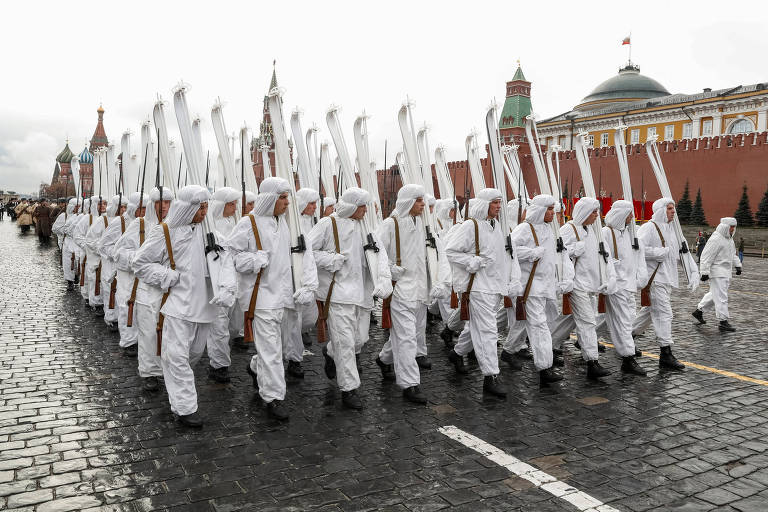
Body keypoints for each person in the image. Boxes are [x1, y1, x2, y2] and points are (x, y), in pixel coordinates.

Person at [133, 185, 232, 428]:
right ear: (187, 207)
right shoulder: (164, 232)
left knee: (193, 356)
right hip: (176, 306)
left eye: (207, 206)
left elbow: (227, 261)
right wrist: (167, 276)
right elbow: (140, 263)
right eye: (200, 207)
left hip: (205, 307)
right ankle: (185, 408)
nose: (204, 211)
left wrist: (227, 288)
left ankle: (179, 391)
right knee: (176, 357)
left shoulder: (212, 234)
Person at [225, 177, 317, 421]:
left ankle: (256, 367)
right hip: (261, 297)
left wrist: (309, 285)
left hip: (286, 296)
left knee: (280, 346)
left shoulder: (288, 224)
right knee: (272, 350)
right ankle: (273, 397)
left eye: (288, 197)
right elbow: (230, 257)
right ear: (270, 199)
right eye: (283, 197)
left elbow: (305, 256)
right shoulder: (249, 223)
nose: (288, 203)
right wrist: (255, 260)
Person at [310, 187, 391, 409]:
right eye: (362, 206)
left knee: (360, 340)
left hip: (362, 294)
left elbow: (380, 254)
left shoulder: (366, 227)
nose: (366, 210)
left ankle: (329, 352)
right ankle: (349, 388)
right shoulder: (328, 224)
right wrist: (329, 259)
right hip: (337, 294)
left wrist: (383, 280)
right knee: (345, 343)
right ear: (352, 206)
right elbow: (306, 251)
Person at [445, 189, 522, 396]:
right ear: (484, 204)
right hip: (477, 287)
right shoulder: (471, 226)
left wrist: (513, 281)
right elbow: (451, 251)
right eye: (495, 203)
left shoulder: (498, 226)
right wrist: (470, 261)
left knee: (477, 328)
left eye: (500, 203)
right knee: (488, 330)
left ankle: (457, 352)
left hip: (495, 287)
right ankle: (491, 376)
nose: (498, 206)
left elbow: (508, 257)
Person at [375, 184, 432, 404]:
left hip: (419, 291)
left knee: (410, 335)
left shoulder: (420, 223)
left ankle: (384, 359)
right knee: (407, 338)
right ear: (408, 201)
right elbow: (376, 254)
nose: (422, 204)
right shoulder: (390, 225)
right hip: (400, 291)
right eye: (418, 200)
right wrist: (390, 270)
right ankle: (410, 384)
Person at [507, 195, 572, 385]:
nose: (553, 213)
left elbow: (557, 257)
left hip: (545, 287)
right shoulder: (524, 229)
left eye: (553, 209)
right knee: (539, 326)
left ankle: (508, 351)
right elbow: (510, 250)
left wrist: (562, 279)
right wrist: (531, 253)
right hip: (530, 287)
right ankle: (545, 367)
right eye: (549, 209)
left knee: (526, 324)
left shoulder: (550, 230)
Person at [632, 198, 696, 370]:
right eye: (669, 209)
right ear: (661, 210)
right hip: (655, 279)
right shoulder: (649, 227)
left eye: (673, 209)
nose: (673, 212)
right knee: (664, 314)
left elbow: (681, 253)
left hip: (666, 279)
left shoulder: (673, 230)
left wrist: (694, 271)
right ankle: (665, 353)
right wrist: (657, 253)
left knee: (648, 313)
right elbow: (637, 248)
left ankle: (627, 337)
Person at [555, 197, 615, 380]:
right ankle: (592, 361)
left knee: (574, 320)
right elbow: (557, 252)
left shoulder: (593, 231)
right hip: (577, 284)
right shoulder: (568, 229)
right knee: (588, 321)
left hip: (590, 284)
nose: (597, 215)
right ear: (584, 213)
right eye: (594, 212)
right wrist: (574, 249)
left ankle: (547, 343)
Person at [121, 187, 173, 390]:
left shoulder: (174, 226)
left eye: (168, 203)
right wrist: (139, 260)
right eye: (160, 203)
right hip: (144, 287)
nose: (164, 207)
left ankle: (165, 368)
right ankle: (149, 371)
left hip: (169, 288)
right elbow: (120, 252)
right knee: (148, 332)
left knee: (168, 332)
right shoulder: (140, 225)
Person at [600, 200, 647, 375]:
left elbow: (637, 256)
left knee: (615, 320)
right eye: (629, 214)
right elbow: (603, 258)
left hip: (628, 285)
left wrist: (639, 277)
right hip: (616, 285)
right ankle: (628, 357)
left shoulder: (629, 234)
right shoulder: (606, 233)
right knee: (623, 321)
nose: (631, 217)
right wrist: (613, 265)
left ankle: (584, 342)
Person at [205, 187, 243, 383]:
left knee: (234, 324)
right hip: (217, 282)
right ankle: (218, 365)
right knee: (218, 326)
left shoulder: (236, 223)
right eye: (231, 203)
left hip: (236, 280)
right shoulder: (209, 227)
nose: (235, 207)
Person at [692, 217, 742, 332]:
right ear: (725, 227)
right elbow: (706, 255)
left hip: (726, 272)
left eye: (734, 227)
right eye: (731, 227)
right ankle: (723, 321)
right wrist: (704, 271)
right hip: (717, 273)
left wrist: (738, 265)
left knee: (715, 294)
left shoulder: (729, 239)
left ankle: (698, 311)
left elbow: (733, 254)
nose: (733, 229)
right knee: (721, 297)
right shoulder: (716, 238)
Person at [97, 194, 129, 330]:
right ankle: (111, 318)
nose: (123, 210)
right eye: (121, 207)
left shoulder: (129, 221)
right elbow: (100, 244)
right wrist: (114, 254)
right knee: (110, 290)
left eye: (125, 207)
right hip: (110, 262)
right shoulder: (104, 220)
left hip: (125, 264)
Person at [295, 187, 320, 352]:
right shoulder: (294, 223)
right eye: (311, 203)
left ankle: (303, 329)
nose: (315, 207)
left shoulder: (314, 222)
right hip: (297, 272)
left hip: (311, 273)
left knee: (310, 314)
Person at [83, 196, 110, 316]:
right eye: (100, 204)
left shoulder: (111, 219)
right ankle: (97, 304)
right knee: (95, 280)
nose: (103, 206)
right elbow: (86, 239)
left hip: (108, 258)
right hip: (95, 256)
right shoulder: (87, 219)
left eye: (105, 203)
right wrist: (98, 248)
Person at [52, 198, 79, 289]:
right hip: (67, 242)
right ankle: (69, 281)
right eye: (76, 206)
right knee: (68, 262)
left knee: (78, 261)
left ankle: (76, 275)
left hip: (78, 243)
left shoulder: (83, 216)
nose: (78, 208)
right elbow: (55, 229)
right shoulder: (64, 216)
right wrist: (66, 230)